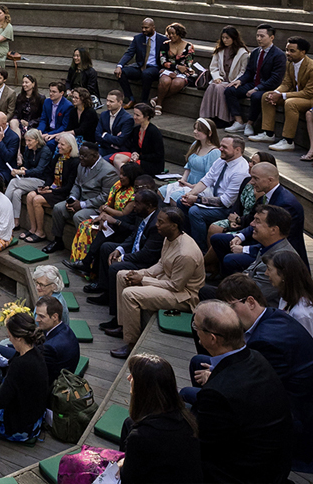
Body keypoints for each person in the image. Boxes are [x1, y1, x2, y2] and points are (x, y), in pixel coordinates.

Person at [188, 300, 293, 484]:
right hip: (274, 464)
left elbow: (200, 447)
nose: (195, 330)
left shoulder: (217, 393)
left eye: (196, 326)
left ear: (212, 338)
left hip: (242, 475)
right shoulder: (257, 357)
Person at [108, 207, 205, 358]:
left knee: (130, 294)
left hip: (183, 296)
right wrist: (140, 273)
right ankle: (124, 326)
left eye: (161, 222)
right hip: (167, 282)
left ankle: (132, 343)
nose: (156, 225)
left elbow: (176, 286)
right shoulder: (169, 237)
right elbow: (161, 265)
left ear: (174, 225)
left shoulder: (186, 254)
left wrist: (143, 280)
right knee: (122, 275)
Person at [118, 354, 202, 484]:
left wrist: (123, 463)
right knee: (128, 423)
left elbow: (129, 479)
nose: (129, 378)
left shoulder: (140, 437)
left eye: (133, 376)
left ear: (143, 388)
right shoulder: (188, 419)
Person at [209, 161, 307, 265]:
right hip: (260, 239)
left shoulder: (286, 204)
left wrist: (245, 249)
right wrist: (240, 236)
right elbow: (254, 222)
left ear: (270, 180)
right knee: (217, 239)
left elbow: (278, 241)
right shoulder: (266, 196)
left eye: (256, 178)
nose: (251, 182)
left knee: (230, 259)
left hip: (278, 254)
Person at [88, 190, 164, 319]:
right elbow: (134, 236)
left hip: (146, 262)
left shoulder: (155, 225)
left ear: (150, 205)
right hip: (135, 250)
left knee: (115, 267)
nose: (134, 206)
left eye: (138, 203)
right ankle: (105, 290)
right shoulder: (142, 214)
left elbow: (147, 254)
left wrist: (122, 257)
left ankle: (116, 315)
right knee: (107, 248)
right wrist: (119, 249)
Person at [0, 312, 49, 442]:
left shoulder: (20, 365)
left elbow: (0, 399)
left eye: (10, 336)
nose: (9, 339)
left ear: (19, 338)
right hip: (35, 416)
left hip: (21, 427)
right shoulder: (36, 350)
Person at [209, 204, 301, 303]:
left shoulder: (280, 260)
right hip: (249, 297)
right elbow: (246, 275)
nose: (252, 224)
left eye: (257, 221)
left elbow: (256, 295)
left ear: (273, 230)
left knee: (208, 295)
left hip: (261, 308)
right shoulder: (267, 246)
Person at [43, 142, 119, 255]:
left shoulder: (108, 171)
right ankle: (57, 240)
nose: (80, 158)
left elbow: (105, 197)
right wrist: (72, 199)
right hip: (79, 201)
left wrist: (82, 204)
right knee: (59, 208)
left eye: (84, 156)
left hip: (95, 206)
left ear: (94, 156)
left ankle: (83, 250)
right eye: (80, 155)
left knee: (79, 216)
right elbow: (77, 184)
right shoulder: (82, 165)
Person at [176, 135, 250, 249]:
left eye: (224, 147)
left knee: (195, 212)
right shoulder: (221, 160)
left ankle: (200, 248)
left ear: (237, 150)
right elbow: (206, 180)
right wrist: (190, 195)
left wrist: (196, 199)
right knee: (181, 202)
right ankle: (186, 240)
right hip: (214, 199)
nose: (220, 149)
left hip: (228, 209)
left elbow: (226, 201)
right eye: (220, 146)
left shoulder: (240, 171)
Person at [65, 162, 139, 275]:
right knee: (85, 225)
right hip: (109, 219)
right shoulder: (118, 186)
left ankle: (88, 264)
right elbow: (109, 203)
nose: (120, 176)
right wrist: (102, 216)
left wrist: (105, 211)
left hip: (121, 224)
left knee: (102, 231)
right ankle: (81, 261)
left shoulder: (134, 194)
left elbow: (123, 214)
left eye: (124, 175)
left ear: (131, 176)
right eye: (120, 173)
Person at [225, 23, 287, 137]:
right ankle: (238, 121)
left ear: (271, 37)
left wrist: (257, 88)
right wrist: (240, 81)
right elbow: (249, 72)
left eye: (262, 36)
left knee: (256, 96)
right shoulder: (255, 52)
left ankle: (250, 123)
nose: (259, 39)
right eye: (257, 36)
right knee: (230, 90)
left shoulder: (279, 55)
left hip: (267, 86)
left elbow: (276, 78)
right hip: (253, 83)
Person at [253, 35, 313, 151]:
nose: (287, 53)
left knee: (291, 103)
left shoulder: (311, 67)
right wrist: (275, 92)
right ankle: (268, 133)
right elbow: (286, 83)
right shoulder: (290, 63)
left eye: (292, 51)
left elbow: (308, 93)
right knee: (267, 95)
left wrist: (282, 95)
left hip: (309, 99)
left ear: (303, 52)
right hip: (297, 95)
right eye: (287, 50)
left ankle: (288, 141)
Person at [24, 132, 80, 243]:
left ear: (70, 146)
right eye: (59, 144)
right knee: (30, 195)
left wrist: (51, 190)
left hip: (62, 192)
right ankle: (33, 228)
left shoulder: (75, 162)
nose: (58, 146)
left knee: (37, 199)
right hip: (52, 187)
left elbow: (70, 186)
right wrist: (46, 186)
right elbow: (50, 175)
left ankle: (40, 232)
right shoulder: (58, 158)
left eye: (62, 144)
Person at [161, 118, 220, 204]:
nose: (195, 131)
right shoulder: (195, 145)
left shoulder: (214, 152)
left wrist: (192, 186)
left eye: (199, 130)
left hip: (201, 187)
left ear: (209, 133)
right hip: (188, 182)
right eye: (195, 129)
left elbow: (210, 177)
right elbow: (188, 166)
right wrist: (183, 180)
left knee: (175, 197)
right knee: (161, 191)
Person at [7, 129, 53, 236]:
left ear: (37, 140)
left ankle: (0, 209)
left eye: (29, 140)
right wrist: (24, 168)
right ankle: (16, 221)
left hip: (42, 180)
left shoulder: (45, 151)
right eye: (26, 140)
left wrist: (22, 171)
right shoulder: (28, 150)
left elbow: (39, 170)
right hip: (30, 179)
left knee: (14, 182)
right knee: (17, 192)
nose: (27, 143)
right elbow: (27, 166)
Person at [199, 25, 250, 123]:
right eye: (223, 38)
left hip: (234, 81)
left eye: (227, 38)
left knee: (219, 88)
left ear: (233, 38)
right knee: (212, 86)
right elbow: (214, 67)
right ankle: (208, 115)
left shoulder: (242, 53)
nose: (225, 40)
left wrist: (235, 81)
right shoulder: (220, 51)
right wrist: (217, 77)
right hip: (222, 79)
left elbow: (243, 71)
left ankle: (223, 118)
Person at [115, 17, 162, 108]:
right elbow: (129, 53)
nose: (144, 30)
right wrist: (119, 65)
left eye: (146, 28)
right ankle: (131, 99)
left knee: (146, 74)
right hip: (140, 66)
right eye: (142, 27)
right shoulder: (138, 38)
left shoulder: (162, 40)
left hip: (155, 68)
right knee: (122, 72)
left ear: (153, 27)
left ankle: (144, 102)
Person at [266, 249, 313, 337]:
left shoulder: (301, 314)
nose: (266, 273)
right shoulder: (285, 297)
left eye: (269, 269)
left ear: (283, 274)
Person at [110, 102, 164, 177]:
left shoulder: (154, 132)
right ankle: (124, 177)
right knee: (117, 157)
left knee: (130, 166)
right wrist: (134, 153)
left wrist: (139, 157)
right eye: (134, 114)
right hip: (139, 157)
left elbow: (158, 155)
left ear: (146, 117)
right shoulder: (137, 129)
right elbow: (134, 146)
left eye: (137, 115)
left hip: (151, 163)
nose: (134, 117)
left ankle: (128, 178)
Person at [152, 22, 194, 115]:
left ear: (179, 34)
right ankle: (159, 104)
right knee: (165, 81)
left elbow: (188, 63)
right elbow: (163, 61)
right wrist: (175, 68)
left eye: (173, 33)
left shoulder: (189, 46)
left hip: (182, 72)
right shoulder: (165, 45)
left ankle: (158, 98)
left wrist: (178, 71)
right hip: (168, 70)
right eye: (169, 34)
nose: (170, 36)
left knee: (177, 83)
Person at [36, 296, 80, 382]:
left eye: (42, 316)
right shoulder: (64, 329)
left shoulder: (50, 347)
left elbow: (41, 374)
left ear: (55, 317)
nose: (37, 319)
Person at [95, 89, 135, 160]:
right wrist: (112, 140)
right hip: (104, 147)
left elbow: (120, 141)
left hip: (119, 151)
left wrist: (104, 135)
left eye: (111, 101)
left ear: (120, 103)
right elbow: (97, 135)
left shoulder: (127, 119)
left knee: (101, 162)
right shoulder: (104, 115)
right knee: (89, 157)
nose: (107, 103)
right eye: (107, 100)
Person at [10, 74, 44, 139]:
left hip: (32, 125)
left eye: (26, 82)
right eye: (23, 82)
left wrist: (29, 123)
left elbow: (42, 117)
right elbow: (16, 112)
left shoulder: (40, 98)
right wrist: (18, 120)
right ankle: (17, 148)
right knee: (13, 122)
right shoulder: (20, 97)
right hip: (21, 123)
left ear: (33, 84)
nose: (24, 84)